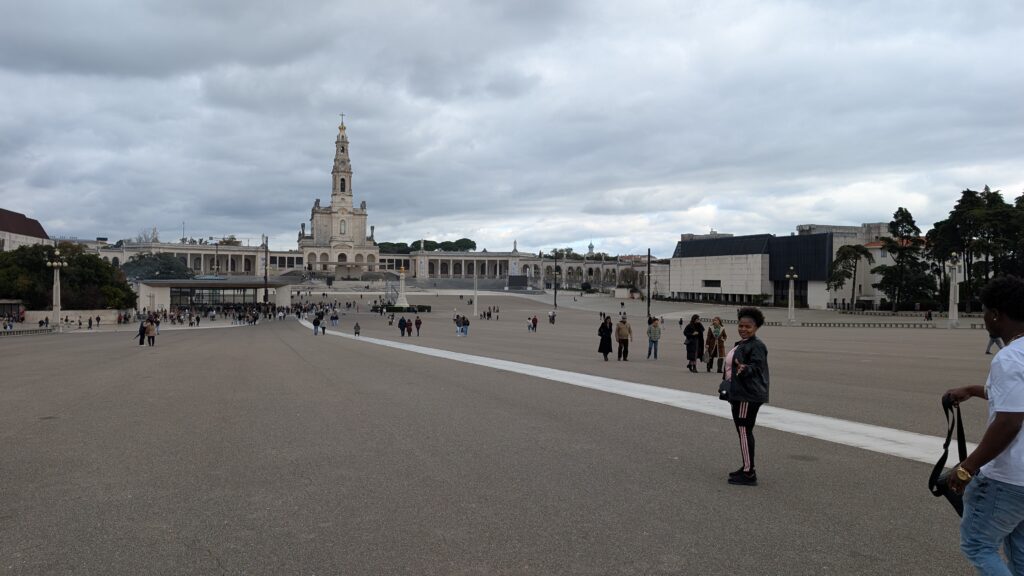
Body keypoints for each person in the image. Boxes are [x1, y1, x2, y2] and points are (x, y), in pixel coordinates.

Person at [945, 276, 1024, 574]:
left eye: (985, 311)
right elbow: (1015, 398)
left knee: (978, 545)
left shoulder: (1009, 358)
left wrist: (967, 467)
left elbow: (1009, 422)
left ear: (996, 314)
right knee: (1020, 551)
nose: (984, 318)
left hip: (1008, 479)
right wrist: (973, 390)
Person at [723, 307, 769, 486]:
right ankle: (747, 467)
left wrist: (745, 368)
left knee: (744, 431)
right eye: (741, 325)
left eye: (748, 326)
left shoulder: (756, 345)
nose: (743, 329)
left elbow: (757, 366)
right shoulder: (742, 343)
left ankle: (749, 473)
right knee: (743, 431)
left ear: (756, 327)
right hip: (740, 393)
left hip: (747, 396)